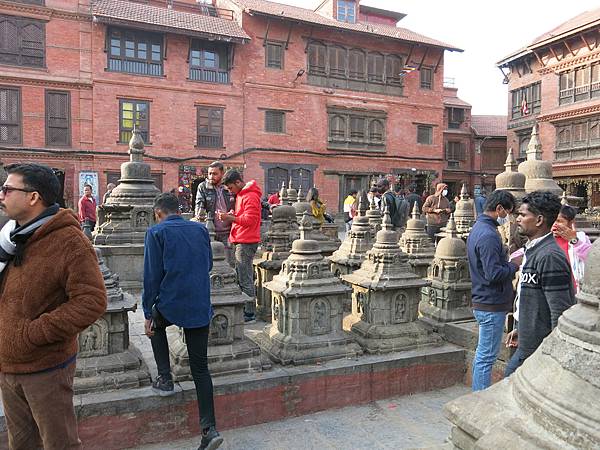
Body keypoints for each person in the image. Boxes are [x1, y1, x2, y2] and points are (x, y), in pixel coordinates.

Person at [0, 163, 107, 449]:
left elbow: (92, 300)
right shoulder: (10, 238)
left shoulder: (69, 240)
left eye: (8, 189)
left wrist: (32, 334)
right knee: (21, 444)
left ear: (33, 197)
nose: (2, 194)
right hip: (8, 366)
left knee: (58, 443)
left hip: (45, 367)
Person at [142, 193, 223, 450]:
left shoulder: (156, 233)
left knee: (155, 327)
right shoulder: (200, 230)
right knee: (201, 369)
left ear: (158, 213)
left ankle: (165, 378)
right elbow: (208, 264)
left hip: (170, 304)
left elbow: (151, 276)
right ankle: (209, 429)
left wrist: (146, 312)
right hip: (199, 305)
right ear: (179, 210)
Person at [504, 191, 576, 377]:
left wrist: (551, 356)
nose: (518, 219)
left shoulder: (549, 256)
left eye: (523, 215)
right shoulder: (533, 251)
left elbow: (559, 311)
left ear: (539, 220)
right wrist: (521, 328)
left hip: (540, 351)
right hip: (528, 343)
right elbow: (534, 299)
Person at [467, 190, 518, 391]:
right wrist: (514, 265)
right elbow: (493, 274)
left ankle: (477, 394)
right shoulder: (488, 234)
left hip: (485, 300)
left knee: (483, 354)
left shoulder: (479, 228)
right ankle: (479, 397)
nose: (508, 218)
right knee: (486, 357)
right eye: (508, 212)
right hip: (490, 303)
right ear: (499, 209)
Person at [217, 170, 262, 323]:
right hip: (240, 238)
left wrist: (230, 217)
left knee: (245, 277)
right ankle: (246, 309)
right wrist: (233, 214)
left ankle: (249, 313)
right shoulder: (242, 195)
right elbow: (243, 215)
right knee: (241, 275)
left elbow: (249, 220)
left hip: (247, 241)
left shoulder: (250, 195)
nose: (230, 192)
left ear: (238, 182)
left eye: (230, 188)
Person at [195, 162, 234, 266]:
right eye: (209, 173)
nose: (211, 176)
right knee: (210, 262)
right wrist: (199, 213)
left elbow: (242, 197)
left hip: (228, 230)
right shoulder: (203, 187)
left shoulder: (229, 186)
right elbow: (199, 203)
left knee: (228, 262)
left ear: (222, 173)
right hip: (211, 231)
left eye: (215, 174)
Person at [552, 204, 592, 292]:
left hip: (574, 289)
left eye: (559, 221)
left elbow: (592, 259)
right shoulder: (544, 239)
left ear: (571, 223)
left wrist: (575, 241)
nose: (554, 224)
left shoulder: (581, 238)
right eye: (552, 221)